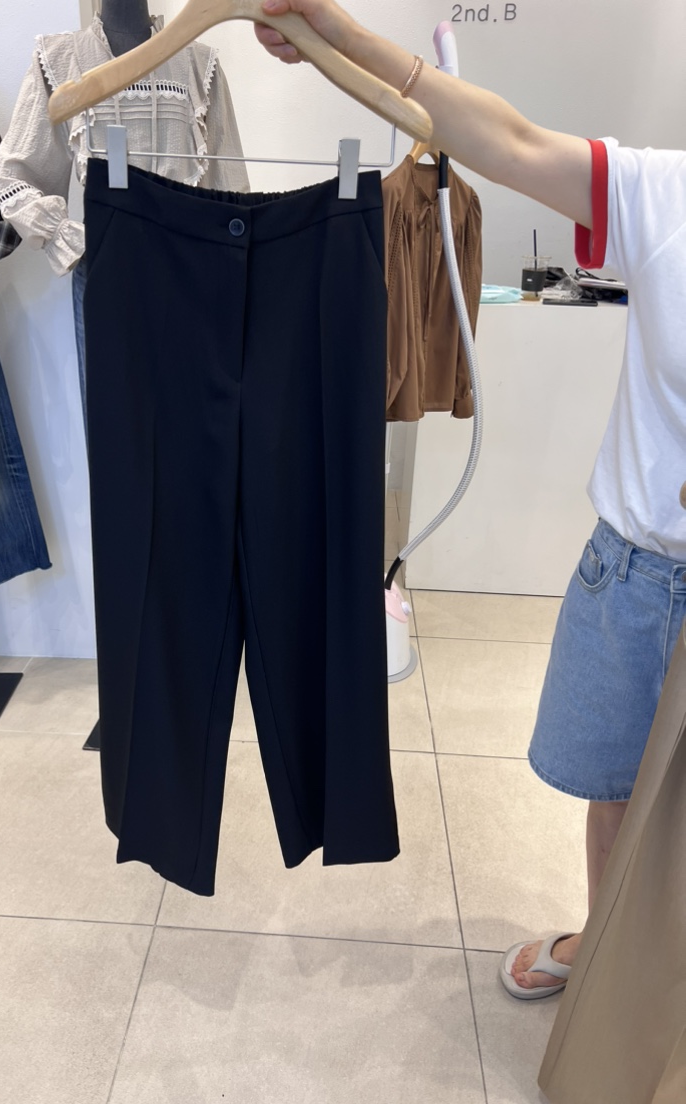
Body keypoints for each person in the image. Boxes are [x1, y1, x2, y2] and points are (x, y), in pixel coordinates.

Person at [255, 0, 686, 997]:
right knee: (613, 787)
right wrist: (334, 34)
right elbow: (508, 140)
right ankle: (608, 959)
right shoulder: (665, 192)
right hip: (633, 567)